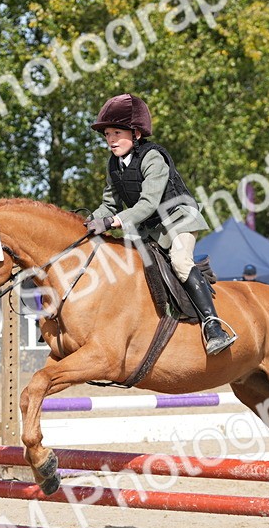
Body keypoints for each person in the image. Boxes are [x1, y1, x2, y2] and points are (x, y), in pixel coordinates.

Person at [83, 93, 237, 355]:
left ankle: (214, 325)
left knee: (179, 260)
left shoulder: (154, 158)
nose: (110, 140)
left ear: (136, 134)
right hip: (149, 227)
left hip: (178, 217)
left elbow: (148, 203)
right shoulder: (114, 165)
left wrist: (112, 221)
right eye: (107, 134)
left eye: (116, 133)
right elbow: (108, 205)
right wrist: (88, 222)